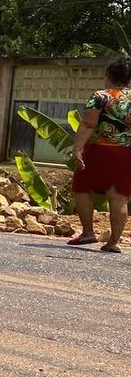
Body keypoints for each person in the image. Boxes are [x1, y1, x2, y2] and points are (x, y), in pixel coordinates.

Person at [68, 57, 131, 253]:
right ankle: (114, 242)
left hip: (99, 150)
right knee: (119, 197)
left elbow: (88, 124)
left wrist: (78, 148)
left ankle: (88, 233)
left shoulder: (100, 96)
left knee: (82, 187)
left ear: (108, 76)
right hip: (126, 152)